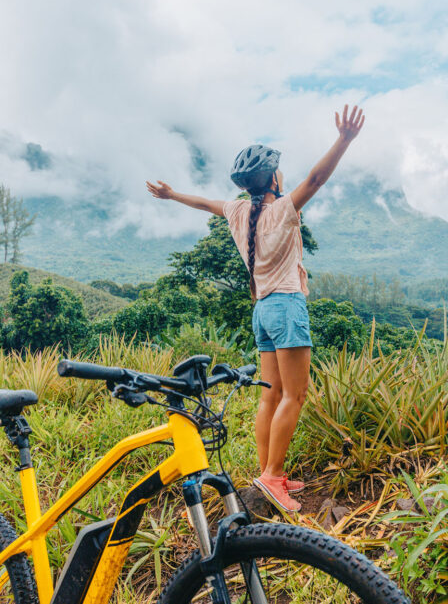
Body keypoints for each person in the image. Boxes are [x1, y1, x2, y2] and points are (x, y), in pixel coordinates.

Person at [147, 105, 365, 511]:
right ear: (274, 178)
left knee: (271, 395)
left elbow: (205, 203)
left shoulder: (237, 211)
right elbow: (316, 179)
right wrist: (345, 139)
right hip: (286, 307)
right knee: (294, 396)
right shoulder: (283, 209)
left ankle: (271, 473)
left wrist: (171, 194)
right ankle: (271, 477)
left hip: (262, 310)